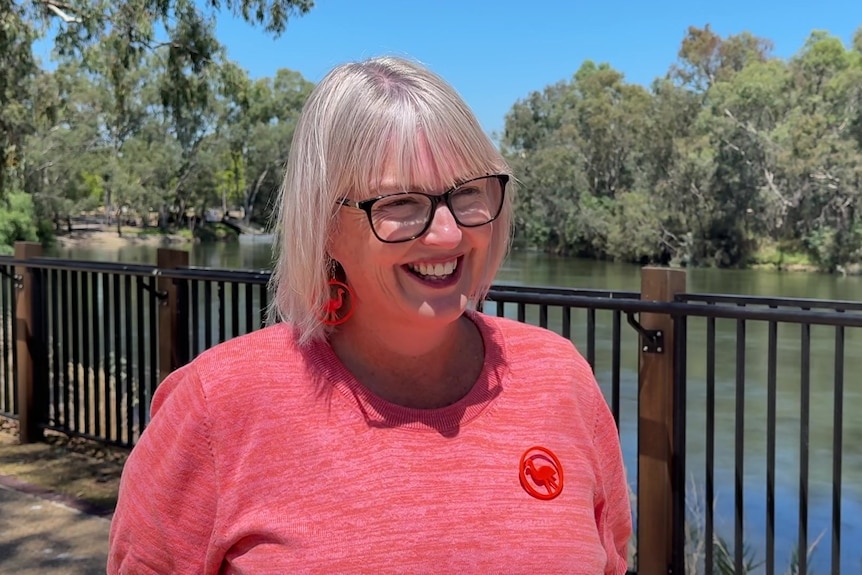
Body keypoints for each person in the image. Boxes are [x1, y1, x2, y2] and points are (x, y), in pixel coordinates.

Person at [107, 56, 631, 574]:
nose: (448, 233)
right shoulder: (218, 405)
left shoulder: (559, 377)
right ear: (326, 226)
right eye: (400, 202)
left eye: (469, 192)